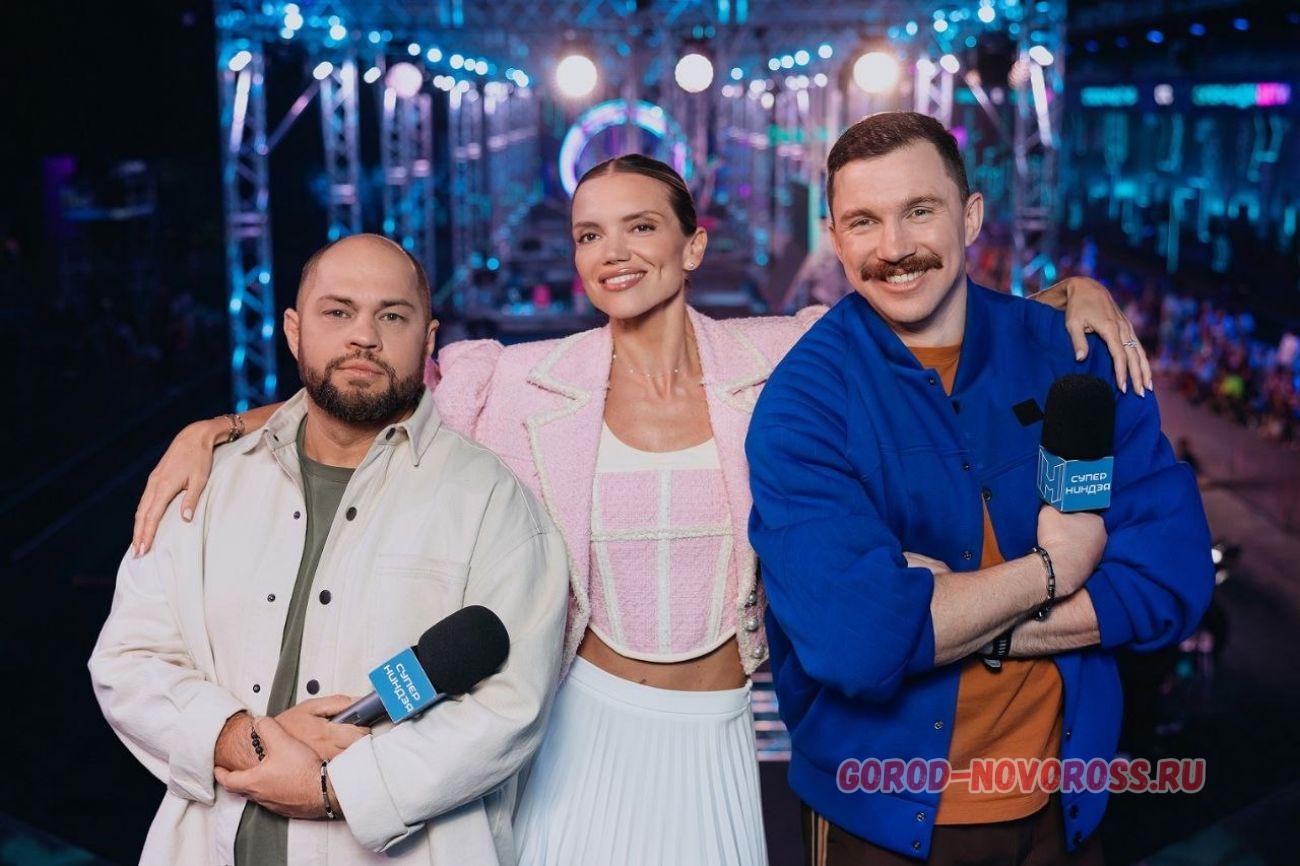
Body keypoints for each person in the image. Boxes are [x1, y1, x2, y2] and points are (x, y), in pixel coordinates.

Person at [129, 155, 1150, 866]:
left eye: (639, 227)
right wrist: (226, 423)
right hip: (572, 730)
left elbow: (920, 303)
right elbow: (371, 381)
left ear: (692, 245)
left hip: (721, 729)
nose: (611, 252)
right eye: (589, 234)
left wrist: (1069, 292)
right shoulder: (512, 380)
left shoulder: (782, 356)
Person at [746, 112, 1213, 865]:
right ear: (832, 236)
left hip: (1066, 809)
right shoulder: (804, 402)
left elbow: (1172, 577)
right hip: (881, 822)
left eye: (919, 211)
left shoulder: (1072, 353)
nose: (893, 248)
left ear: (970, 216)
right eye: (863, 221)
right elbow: (854, 642)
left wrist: (945, 617)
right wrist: (1053, 571)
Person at [90, 234, 570, 865]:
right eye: (338, 312)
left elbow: (511, 707)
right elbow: (129, 659)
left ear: (428, 339)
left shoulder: (492, 503)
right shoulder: (204, 486)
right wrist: (240, 738)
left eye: (391, 316)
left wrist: (330, 790)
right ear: (294, 331)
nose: (363, 336)